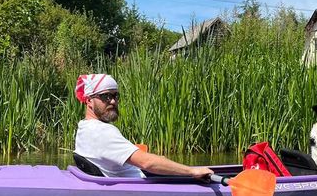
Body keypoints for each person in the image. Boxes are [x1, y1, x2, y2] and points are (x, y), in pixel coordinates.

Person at [73, 73, 214, 179]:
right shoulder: (103, 131)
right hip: (137, 192)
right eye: (106, 96)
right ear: (89, 101)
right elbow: (147, 164)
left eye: (116, 96)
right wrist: (193, 171)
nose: (113, 102)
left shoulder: (84, 127)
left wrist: (154, 159)